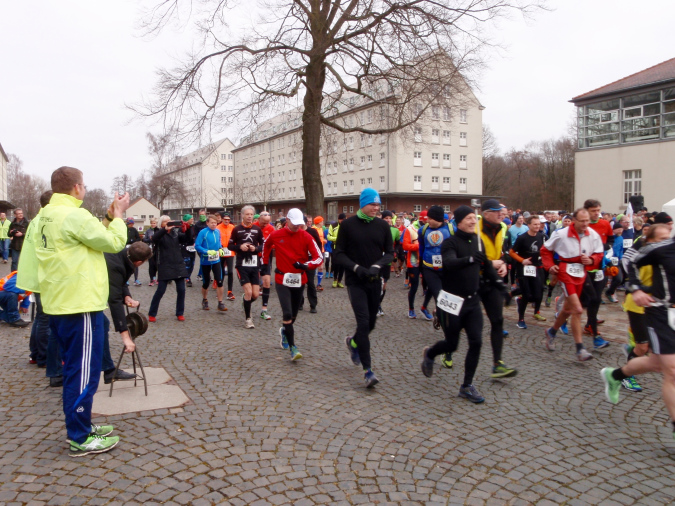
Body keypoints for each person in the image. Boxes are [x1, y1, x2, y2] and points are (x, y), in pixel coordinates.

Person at [33, 166, 129, 456]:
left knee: (75, 368)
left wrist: (108, 217)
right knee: (83, 373)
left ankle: (82, 425)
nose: (85, 189)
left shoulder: (46, 215)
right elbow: (114, 242)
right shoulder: (75, 215)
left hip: (59, 301)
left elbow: (87, 235)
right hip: (80, 304)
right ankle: (79, 436)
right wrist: (119, 217)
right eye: (84, 185)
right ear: (76, 187)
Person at [421, 206, 502, 403]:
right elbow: (449, 262)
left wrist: (500, 285)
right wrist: (470, 259)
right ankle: (430, 353)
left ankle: (467, 386)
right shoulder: (450, 242)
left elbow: (486, 266)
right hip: (452, 302)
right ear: (459, 222)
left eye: (474, 218)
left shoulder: (478, 241)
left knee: (476, 341)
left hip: (472, 301)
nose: (473, 221)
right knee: (452, 344)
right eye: (469, 218)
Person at [601, 223, 675, 440]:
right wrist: (636, 289)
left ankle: (615, 375)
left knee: (656, 363)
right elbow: (630, 261)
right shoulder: (663, 248)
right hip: (660, 310)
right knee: (671, 371)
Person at [334, 188, 394, 388]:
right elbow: (339, 254)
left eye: (378, 205)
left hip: (374, 280)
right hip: (355, 281)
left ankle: (353, 342)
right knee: (363, 322)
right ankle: (368, 371)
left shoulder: (382, 226)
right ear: (363, 204)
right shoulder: (348, 225)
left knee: (371, 324)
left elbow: (390, 253)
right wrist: (356, 268)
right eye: (372, 204)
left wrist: (378, 266)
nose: (376, 208)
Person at [541, 208, 604, 361]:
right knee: (577, 309)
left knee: (567, 309)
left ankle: (551, 332)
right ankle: (580, 349)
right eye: (582, 221)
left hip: (581, 272)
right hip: (565, 271)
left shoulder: (592, 234)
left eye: (587, 220)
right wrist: (550, 266)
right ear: (574, 220)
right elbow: (545, 250)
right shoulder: (561, 234)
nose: (585, 224)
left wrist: (592, 260)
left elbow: (599, 253)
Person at [262, 208, 323, 361]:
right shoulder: (276, 234)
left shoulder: (306, 236)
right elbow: (265, 246)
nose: (297, 226)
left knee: (294, 315)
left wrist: (306, 265)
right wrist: (264, 264)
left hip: (299, 279)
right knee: (287, 313)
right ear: (287, 220)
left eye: (299, 224)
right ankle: (293, 348)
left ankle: (285, 330)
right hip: (282, 279)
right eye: (294, 223)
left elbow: (319, 257)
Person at [476, 200, 518, 378]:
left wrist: (503, 263)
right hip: (473, 279)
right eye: (496, 211)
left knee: (497, 320)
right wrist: (490, 263)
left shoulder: (502, 227)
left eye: (502, 211)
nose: (501, 214)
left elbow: (503, 251)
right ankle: (447, 350)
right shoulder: (474, 228)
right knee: (462, 321)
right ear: (486, 214)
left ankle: (497, 364)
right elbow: (467, 254)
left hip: (492, 279)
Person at [583, 200, 613, 349]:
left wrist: (603, 248)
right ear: (586, 211)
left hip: (599, 268)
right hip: (583, 269)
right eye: (593, 211)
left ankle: (591, 328)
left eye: (598, 210)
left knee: (595, 300)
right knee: (585, 301)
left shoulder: (605, 224)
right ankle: (560, 320)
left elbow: (611, 240)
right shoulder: (581, 225)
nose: (596, 213)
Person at [229, 205, 264, 329]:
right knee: (248, 292)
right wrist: (240, 247)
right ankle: (248, 319)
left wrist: (256, 248)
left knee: (255, 294)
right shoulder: (236, 229)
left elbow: (263, 245)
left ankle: (246, 301)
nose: (249, 216)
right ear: (242, 215)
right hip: (241, 264)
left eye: (251, 214)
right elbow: (230, 246)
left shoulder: (257, 229)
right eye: (247, 214)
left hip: (254, 264)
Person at [148, 215, 189, 322]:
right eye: (165, 222)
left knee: (181, 290)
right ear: (161, 224)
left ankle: (180, 313)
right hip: (165, 265)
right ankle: (152, 313)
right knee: (160, 290)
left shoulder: (175, 233)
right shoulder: (159, 233)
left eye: (169, 221)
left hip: (178, 264)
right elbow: (155, 238)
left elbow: (187, 239)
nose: (168, 223)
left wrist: (187, 229)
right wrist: (165, 229)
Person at [509, 215, 545, 328]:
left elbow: (543, 250)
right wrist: (522, 260)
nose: (537, 226)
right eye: (535, 224)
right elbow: (511, 252)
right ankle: (521, 319)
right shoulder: (522, 238)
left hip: (535, 268)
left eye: (538, 224)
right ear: (528, 225)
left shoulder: (541, 236)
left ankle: (519, 300)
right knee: (526, 294)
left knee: (537, 295)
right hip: (523, 269)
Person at [417, 205, 452, 323]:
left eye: (430, 218)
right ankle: (443, 320)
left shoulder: (451, 230)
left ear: (438, 219)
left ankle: (436, 311)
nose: (427, 220)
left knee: (446, 293)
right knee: (438, 294)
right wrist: (421, 261)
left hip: (446, 268)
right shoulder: (423, 230)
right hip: (429, 267)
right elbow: (421, 246)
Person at [194, 215, 227, 312]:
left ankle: (220, 303)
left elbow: (219, 243)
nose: (214, 224)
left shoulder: (217, 231)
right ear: (207, 223)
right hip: (205, 261)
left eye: (215, 223)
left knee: (219, 281)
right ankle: (205, 300)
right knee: (206, 282)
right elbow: (197, 246)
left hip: (216, 260)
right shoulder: (203, 232)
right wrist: (207, 251)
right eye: (212, 222)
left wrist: (220, 249)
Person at [378, 210, 401, 316]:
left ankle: (378, 304)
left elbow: (398, 243)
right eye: (386, 218)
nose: (388, 220)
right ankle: (376, 306)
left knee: (384, 285)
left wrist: (395, 251)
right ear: (382, 219)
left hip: (387, 261)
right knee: (377, 284)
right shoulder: (377, 229)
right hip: (377, 260)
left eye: (390, 218)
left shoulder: (395, 230)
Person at [257, 211, 275, 320]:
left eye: (267, 223)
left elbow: (275, 242)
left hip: (266, 257)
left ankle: (264, 310)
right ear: (259, 219)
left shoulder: (271, 228)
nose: (265, 225)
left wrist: (270, 246)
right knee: (254, 290)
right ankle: (248, 298)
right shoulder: (253, 227)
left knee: (267, 282)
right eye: (263, 222)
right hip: (254, 257)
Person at [301, 215, 322, 313]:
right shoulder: (296, 232)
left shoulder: (312, 231)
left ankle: (313, 305)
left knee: (310, 282)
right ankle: (299, 303)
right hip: (300, 259)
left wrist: (318, 258)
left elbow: (319, 244)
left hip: (310, 260)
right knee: (299, 282)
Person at [216, 212, 236, 301]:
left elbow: (236, 238)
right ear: (222, 219)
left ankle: (229, 291)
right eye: (225, 219)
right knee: (221, 271)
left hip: (230, 251)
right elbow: (216, 239)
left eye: (228, 219)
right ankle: (220, 289)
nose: (227, 221)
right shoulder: (218, 228)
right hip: (221, 251)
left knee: (230, 271)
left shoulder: (232, 227)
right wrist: (219, 247)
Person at [605, 222, 625, 303]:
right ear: (613, 230)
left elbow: (621, 249)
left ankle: (610, 292)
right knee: (603, 281)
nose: (620, 231)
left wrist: (620, 258)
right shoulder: (609, 238)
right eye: (618, 229)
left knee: (619, 279)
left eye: (621, 229)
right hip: (607, 261)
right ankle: (598, 297)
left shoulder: (621, 238)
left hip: (616, 261)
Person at [327, 214, 346, 288]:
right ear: (338, 219)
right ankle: (335, 279)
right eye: (341, 219)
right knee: (336, 263)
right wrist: (337, 239)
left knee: (343, 265)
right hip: (335, 247)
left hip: (344, 247)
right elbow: (329, 237)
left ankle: (339, 281)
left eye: (344, 219)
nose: (342, 221)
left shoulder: (347, 225)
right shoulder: (333, 225)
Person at [8, 208, 29, 272]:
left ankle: (24, 274)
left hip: (25, 245)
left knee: (25, 262)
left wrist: (22, 234)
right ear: (15, 215)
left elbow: (30, 233)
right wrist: (11, 232)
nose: (21, 215)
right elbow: (8, 234)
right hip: (15, 245)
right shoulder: (12, 223)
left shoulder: (26, 223)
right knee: (14, 261)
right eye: (19, 213)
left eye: (21, 213)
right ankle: (13, 275)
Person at [181, 214, 196, 287]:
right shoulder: (182, 227)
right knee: (187, 263)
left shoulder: (193, 227)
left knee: (192, 264)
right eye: (191, 219)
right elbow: (182, 237)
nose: (192, 220)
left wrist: (195, 242)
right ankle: (187, 278)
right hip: (185, 248)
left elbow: (195, 235)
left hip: (192, 248)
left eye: (192, 219)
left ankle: (188, 276)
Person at [143, 218, 159, 286]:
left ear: (156, 223)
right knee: (151, 265)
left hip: (157, 250)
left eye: (154, 223)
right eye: (152, 223)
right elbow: (144, 239)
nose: (153, 224)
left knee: (158, 265)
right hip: (150, 249)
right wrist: (150, 239)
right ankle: (152, 279)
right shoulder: (148, 231)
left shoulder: (159, 230)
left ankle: (158, 279)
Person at [312, 216, 327, 291]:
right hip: (314, 250)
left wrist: (323, 241)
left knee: (321, 267)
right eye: (322, 221)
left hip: (321, 250)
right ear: (318, 222)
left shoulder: (321, 229)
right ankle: (310, 283)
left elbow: (321, 239)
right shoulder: (313, 229)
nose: (323, 222)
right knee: (312, 267)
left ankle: (319, 284)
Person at [126, 218, 142, 285]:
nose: (132, 225)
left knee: (135, 263)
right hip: (126, 247)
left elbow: (138, 238)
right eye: (130, 224)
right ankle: (126, 279)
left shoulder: (134, 229)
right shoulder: (124, 229)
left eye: (132, 224)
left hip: (133, 247)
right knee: (127, 263)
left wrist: (134, 242)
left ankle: (136, 279)